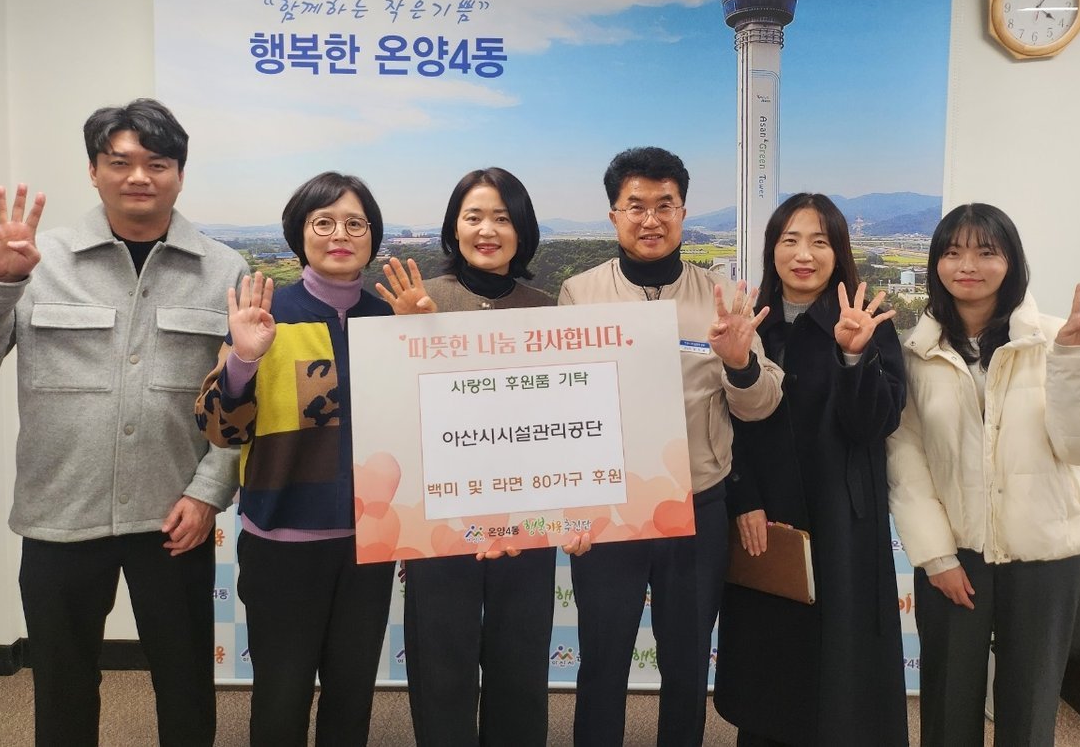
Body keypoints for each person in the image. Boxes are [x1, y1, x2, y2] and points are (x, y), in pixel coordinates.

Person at [0, 98, 248, 746]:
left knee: (185, 682)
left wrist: (209, 492)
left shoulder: (224, 270)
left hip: (173, 517)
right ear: (93, 171)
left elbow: (240, 400)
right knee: (62, 682)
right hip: (60, 512)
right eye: (119, 162)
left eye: (157, 162)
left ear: (180, 173)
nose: (138, 176)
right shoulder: (39, 259)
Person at [194, 171, 434, 746]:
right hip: (282, 542)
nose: (340, 235)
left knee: (352, 695)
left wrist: (422, 344)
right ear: (298, 234)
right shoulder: (266, 317)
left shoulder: (388, 319)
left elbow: (426, 428)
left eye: (355, 223)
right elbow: (221, 431)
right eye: (323, 222)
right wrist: (243, 362)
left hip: (369, 542)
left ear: (373, 236)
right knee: (282, 696)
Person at [558, 146, 783, 747]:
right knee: (602, 661)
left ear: (684, 212)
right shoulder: (579, 294)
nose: (651, 219)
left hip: (697, 505)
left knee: (686, 666)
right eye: (636, 206)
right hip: (611, 510)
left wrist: (739, 364)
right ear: (614, 215)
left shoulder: (722, 296)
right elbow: (563, 406)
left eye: (666, 205)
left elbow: (761, 405)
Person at [886, 203, 1080, 747]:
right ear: (936, 264)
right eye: (953, 252)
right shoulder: (916, 352)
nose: (967, 265)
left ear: (1011, 261)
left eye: (985, 251)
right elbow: (906, 459)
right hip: (957, 551)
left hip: (1045, 551)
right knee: (948, 704)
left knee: (1030, 703)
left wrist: (1077, 362)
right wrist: (936, 556)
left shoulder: (1057, 338)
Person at [403, 166, 590, 746]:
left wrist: (575, 508)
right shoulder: (421, 303)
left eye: (503, 218)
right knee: (441, 666)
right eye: (474, 216)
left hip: (526, 521)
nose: (487, 230)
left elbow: (566, 422)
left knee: (521, 664)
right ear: (453, 227)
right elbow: (395, 417)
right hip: (439, 519)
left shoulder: (547, 310)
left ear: (523, 230)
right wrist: (406, 338)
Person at [714, 193, 908, 746]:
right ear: (771, 250)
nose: (804, 255)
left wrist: (853, 356)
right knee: (771, 655)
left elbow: (874, 425)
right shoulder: (751, 323)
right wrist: (744, 497)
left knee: (842, 662)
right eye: (790, 240)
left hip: (842, 517)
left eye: (819, 242)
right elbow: (723, 421)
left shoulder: (866, 325)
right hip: (765, 515)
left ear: (838, 252)